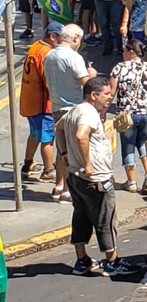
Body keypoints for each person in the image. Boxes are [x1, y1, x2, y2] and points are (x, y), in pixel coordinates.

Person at [56, 76, 140, 276]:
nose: (110, 97)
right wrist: (88, 164)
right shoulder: (88, 113)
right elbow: (80, 135)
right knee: (107, 218)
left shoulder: (75, 110)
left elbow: (58, 128)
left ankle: (82, 260)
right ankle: (112, 261)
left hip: (76, 177)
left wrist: (65, 153)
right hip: (96, 179)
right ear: (93, 95)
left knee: (81, 216)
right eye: (106, 94)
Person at [45, 23, 97, 202]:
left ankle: (58, 185)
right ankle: (67, 189)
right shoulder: (73, 57)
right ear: (75, 38)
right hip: (73, 108)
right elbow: (87, 83)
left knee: (62, 150)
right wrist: (92, 73)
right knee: (72, 151)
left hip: (57, 106)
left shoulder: (50, 55)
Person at [108, 38, 147, 193]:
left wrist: (102, 112)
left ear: (131, 51)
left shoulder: (119, 68)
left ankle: (131, 182)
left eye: (125, 51)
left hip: (128, 115)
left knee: (128, 145)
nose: (123, 54)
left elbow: (111, 93)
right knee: (144, 142)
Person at [19, 22, 61, 183]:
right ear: (52, 37)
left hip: (30, 101)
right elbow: (48, 81)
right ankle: (49, 170)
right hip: (42, 104)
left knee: (35, 134)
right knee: (47, 138)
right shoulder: (46, 54)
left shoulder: (36, 46)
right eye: (60, 38)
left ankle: (28, 163)